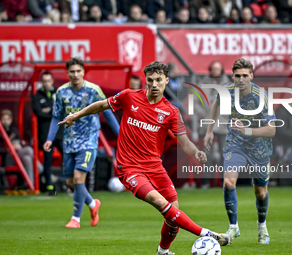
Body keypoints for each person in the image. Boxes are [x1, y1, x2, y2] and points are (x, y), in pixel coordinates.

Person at [58, 61, 231, 255]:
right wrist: (77, 115)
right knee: (160, 203)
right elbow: (101, 105)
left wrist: (196, 152)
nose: (154, 84)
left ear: (166, 80)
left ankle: (163, 251)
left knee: (173, 214)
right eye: (150, 80)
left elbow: (185, 143)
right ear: (146, 81)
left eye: (158, 80)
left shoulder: (171, 111)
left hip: (155, 168)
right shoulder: (129, 97)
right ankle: (207, 233)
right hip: (130, 169)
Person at [204, 58, 276, 244]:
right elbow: (216, 103)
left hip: (260, 147)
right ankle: (233, 227)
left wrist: (248, 130)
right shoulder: (226, 91)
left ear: (251, 76)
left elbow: (272, 129)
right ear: (232, 76)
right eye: (238, 76)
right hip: (235, 143)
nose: (241, 79)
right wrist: (210, 130)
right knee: (228, 182)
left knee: (260, 192)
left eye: (245, 75)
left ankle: (262, 226)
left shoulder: (261, 95)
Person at [43, 58, 120, 228]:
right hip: (68, 142)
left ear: (84, 72)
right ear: (67, 73)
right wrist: (50, 138)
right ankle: (93, 204)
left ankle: (75, 219)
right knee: (71, 183)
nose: (75, 74)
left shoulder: (94, 90)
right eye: (72, 71)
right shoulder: (61, 92)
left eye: (78, 71)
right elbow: (56, 116)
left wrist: (120, 134)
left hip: (88, 141)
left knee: (78, 179)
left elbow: (107, 112)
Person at [196, 61, 230, 189]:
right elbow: (195, 102)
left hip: (223, 123)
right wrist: (204, 114)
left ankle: (224, 182)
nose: (215, 71)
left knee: (224, 153)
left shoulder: (228, 85)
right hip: (206, 123)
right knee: (206, 155)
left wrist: (225, 114)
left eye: (218, 69)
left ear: (221, 70)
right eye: (214, 69)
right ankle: (206, 182)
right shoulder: (202, 84)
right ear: (210, 69)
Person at [32, 71, 64, 195]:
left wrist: (48, 110)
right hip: (46, 135)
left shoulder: (58, 93)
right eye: (44, 81)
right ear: (42, 82)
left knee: (68, 156)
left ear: (52, 81)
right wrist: (53, 111)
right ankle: (49, 186)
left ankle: (68, 183)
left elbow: (62, 110)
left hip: (60, 133)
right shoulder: (37, 96)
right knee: (47, 160)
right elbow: (38, 112)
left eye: (48, 81)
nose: (46, 83)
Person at [0, 109, 38, 185]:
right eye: (4, 119)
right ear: (0, 119)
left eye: (8, 119)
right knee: (28, 150)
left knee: (27, 158)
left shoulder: (14, 130)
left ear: (11, 120)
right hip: (8, 158)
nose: (6, 121)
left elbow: (21, 143)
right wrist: (10, 148)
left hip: (20, 156)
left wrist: (19, 146)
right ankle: (39, 168)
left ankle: (30, 185)